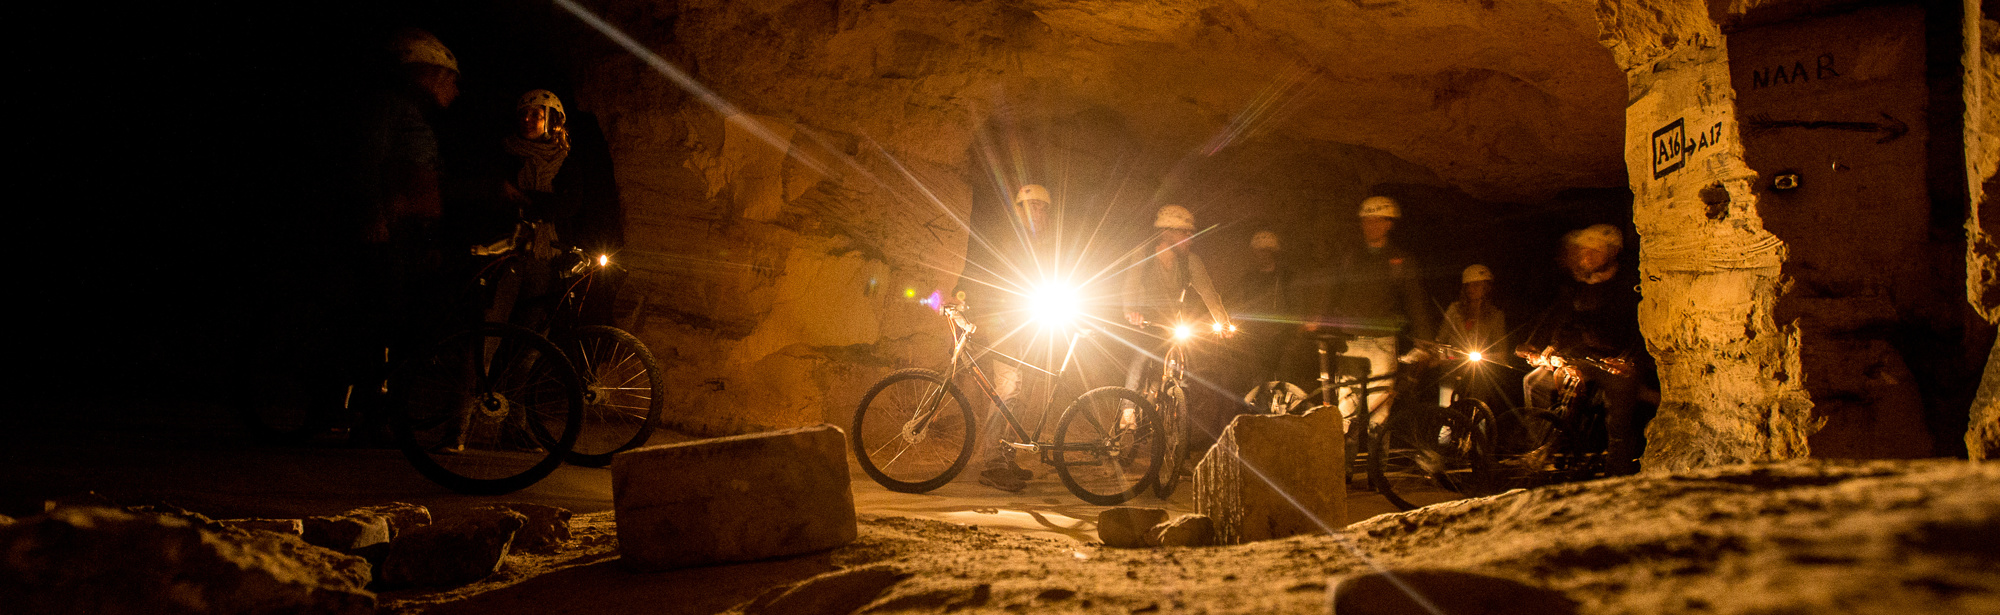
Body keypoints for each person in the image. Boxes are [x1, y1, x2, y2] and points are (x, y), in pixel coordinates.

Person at [957, 184, 1063, 492]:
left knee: (1023, 392)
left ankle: (1005, 453)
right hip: (1001, 320)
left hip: (1030, 322)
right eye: (1030, 207)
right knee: (1009, 383)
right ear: (1019, 212)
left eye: (1042, 208)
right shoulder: (1006, 240)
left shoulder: (1046, 246)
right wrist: (964, 298)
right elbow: (983, 270)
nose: (1037, 213)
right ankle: (992, 463)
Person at [1517, 224, 1645, 476]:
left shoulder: (1628, 283)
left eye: (1591, 252)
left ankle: (1616, 472)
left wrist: (1629, 359)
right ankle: (1543, 445)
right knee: (1535, 383)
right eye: (1581, 252)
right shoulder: (1580, 286)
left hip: (1618, 361)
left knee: (1618, 416)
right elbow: (1563, 320)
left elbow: (1641, 326)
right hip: (1586, 359)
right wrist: (1545, 346)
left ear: (1610, 252)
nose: (1584, 257)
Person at [1308, 196, 1433, 431]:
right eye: (1366, 221)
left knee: (1380, 409)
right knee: (1346, 408)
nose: (1370, 226)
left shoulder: (1401, 260)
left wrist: (1424, 338)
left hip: (1382, 341)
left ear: (1388, 223)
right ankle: (1345, 466)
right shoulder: (1349, 256)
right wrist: (1317, 317)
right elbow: (1330, 288)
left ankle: (1377, 467)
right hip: (1350, 341)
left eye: (1376, 221)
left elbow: (1415, 299)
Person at [1120, 205, 1235, 437]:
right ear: (1166, 233)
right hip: (1144, 320)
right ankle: (1128, 411)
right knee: (1142, 356)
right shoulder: (1143, 254)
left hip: (1171, 321)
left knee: (1183, 364)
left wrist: (1222, 321)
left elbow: (1209, 293)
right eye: (1185, 233)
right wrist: (1131, 310)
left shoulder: (1190, 262)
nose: (1190, 239)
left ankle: (1175, 420)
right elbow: (1130, 285)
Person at [1228, 230, 1310, 402]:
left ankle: (1285, 417)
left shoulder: (1287, 277)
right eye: (1258, 251)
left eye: (1266, 250)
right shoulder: (1249, 279)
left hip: (1283, 339)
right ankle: (1260, 415)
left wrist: (1294, 335)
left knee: (1285, 383)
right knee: (1259, 385)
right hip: (1255, 339)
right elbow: (1240, 304)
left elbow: (1296, 307)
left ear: (1274, 253)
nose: (1262, 255)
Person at [1441, 264, 1508, 409]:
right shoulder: (1455, 310)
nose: (1471, 289)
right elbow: (1441, 339)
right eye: (1468, 286)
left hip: (1479, 373)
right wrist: (1445, 355)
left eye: (1476, 285)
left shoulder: (1495, 316)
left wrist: (1486, 358)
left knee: (1478, 410)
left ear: (1486, 288)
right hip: (1452, 367)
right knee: (1446, 409)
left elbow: (1501, 352)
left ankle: (1477, 430)